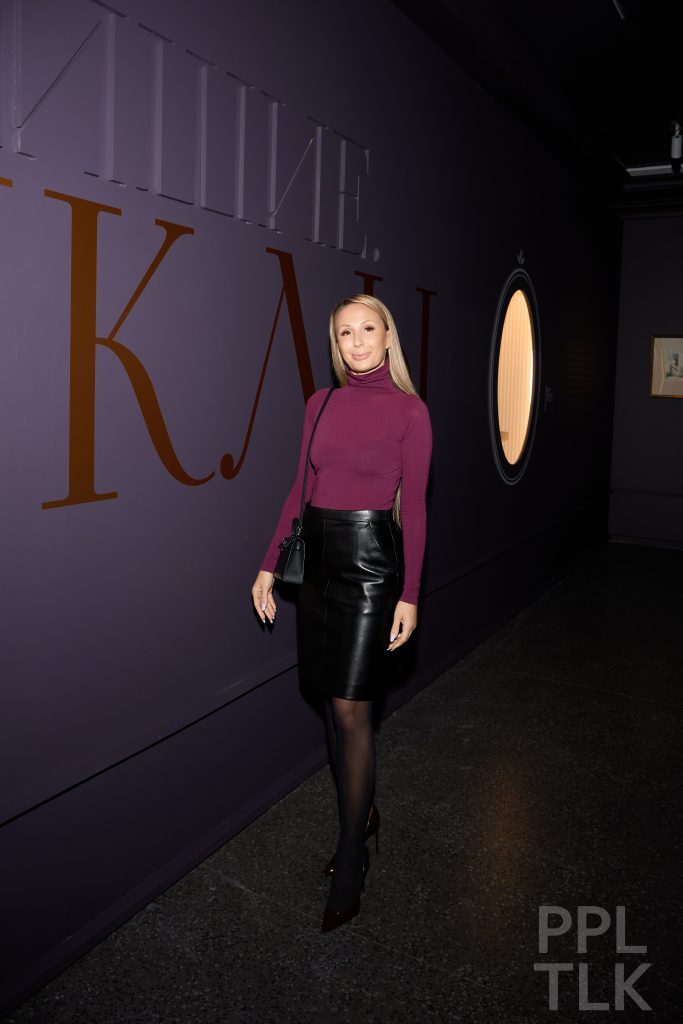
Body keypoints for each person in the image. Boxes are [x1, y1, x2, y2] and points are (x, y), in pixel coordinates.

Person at [251, 294, 433, 933]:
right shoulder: (319, 404)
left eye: (367, 329)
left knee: (353, 709)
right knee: (330, 699)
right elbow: (300, 490)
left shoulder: (410, 412)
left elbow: (416, 509)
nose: (357, 342)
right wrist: (269, 564)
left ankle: (353, 852)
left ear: (388, 336)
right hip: (319, 567)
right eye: (345, 333)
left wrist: (410, 594)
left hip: (371, 565)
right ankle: (363, 811)